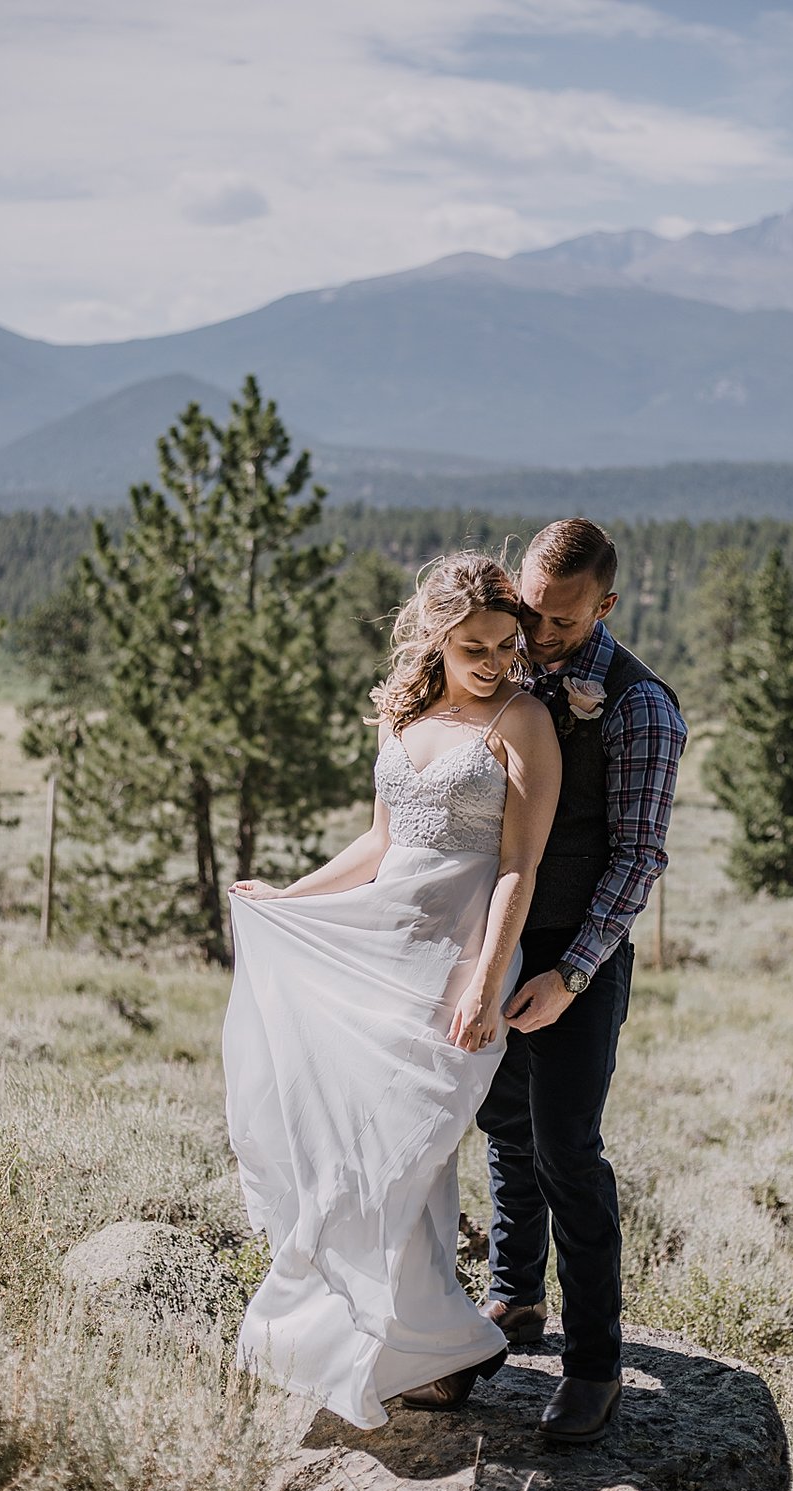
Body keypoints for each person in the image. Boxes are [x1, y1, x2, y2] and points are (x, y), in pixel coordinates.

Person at [222, 552, 561, 1431]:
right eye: (474, 647)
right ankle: (378, 1338)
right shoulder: (403, 714)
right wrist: (291, 898)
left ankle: (428, 1339)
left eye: (505, 643)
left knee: (414, 1147)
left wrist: (487, 982)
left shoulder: (524, 721)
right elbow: (379, 846)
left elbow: (519, 865)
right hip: (380, 941)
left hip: (457, 954)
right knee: (352, 1144)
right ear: (435, 641)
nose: (494, 662)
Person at [471, 518, 688, 1443]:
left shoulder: (641, 706)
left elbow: (638, 859)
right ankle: (515, 1297)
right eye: (530, 609)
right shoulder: (509, 661)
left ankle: (594, 1361)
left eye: (561, 621)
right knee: (500, 1122)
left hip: (577, 957)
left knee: (566, 1146)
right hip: (499, 941)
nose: (538, 631)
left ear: (604, 605)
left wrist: (568, 972)